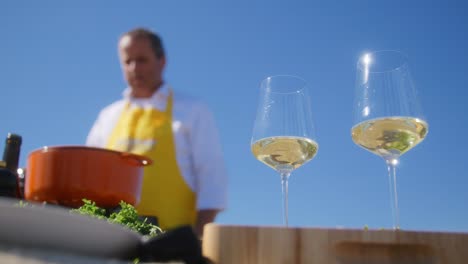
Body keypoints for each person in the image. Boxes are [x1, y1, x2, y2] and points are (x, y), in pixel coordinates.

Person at [86, 27, 228, 237]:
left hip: (173, 246)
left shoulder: (192, 110)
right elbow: (89, 176)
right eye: (127, 61)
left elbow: (212, 182)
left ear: (162, 61)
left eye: (142, 60)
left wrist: (197, 243)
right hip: (110, 244)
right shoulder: (108, 116)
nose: (134, 68)